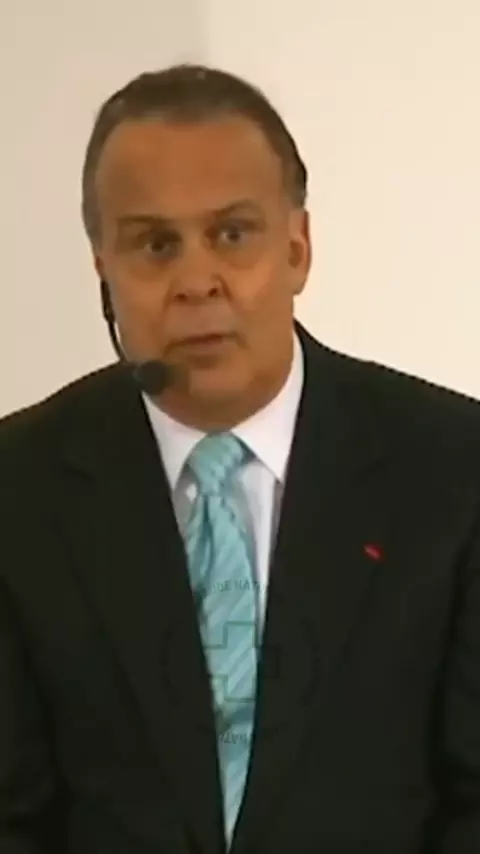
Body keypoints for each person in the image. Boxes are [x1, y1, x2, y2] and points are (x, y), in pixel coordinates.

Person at [1, 63, 480, 854]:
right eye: (155, 244)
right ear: (103, 268)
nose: (197, 282)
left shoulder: (455, 471)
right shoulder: (18, 491)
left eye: (231, 234)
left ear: (298, 248)